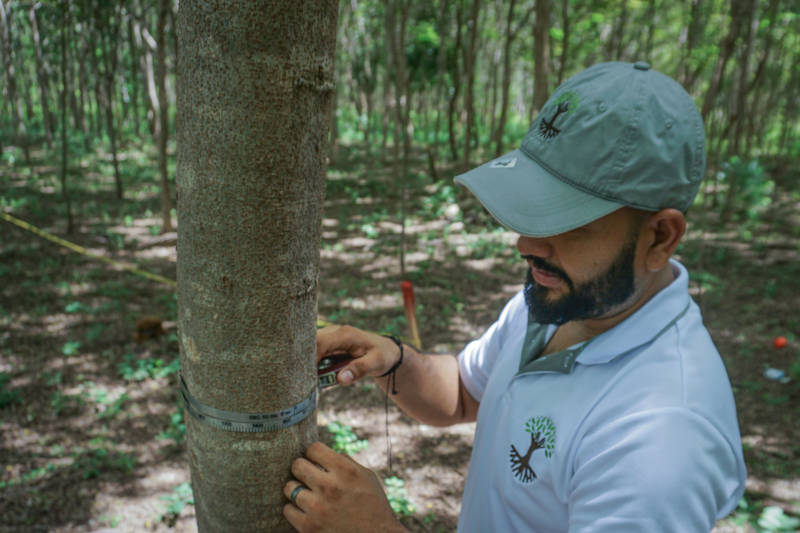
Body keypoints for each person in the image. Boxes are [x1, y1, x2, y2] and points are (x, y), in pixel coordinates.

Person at [282, 61, 747, 532]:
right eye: (534, 210)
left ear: (661, 237)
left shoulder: (662, 437)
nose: (527, 244)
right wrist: (394, 360)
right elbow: (465, 392)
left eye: (567, 223)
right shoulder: (562, 301)